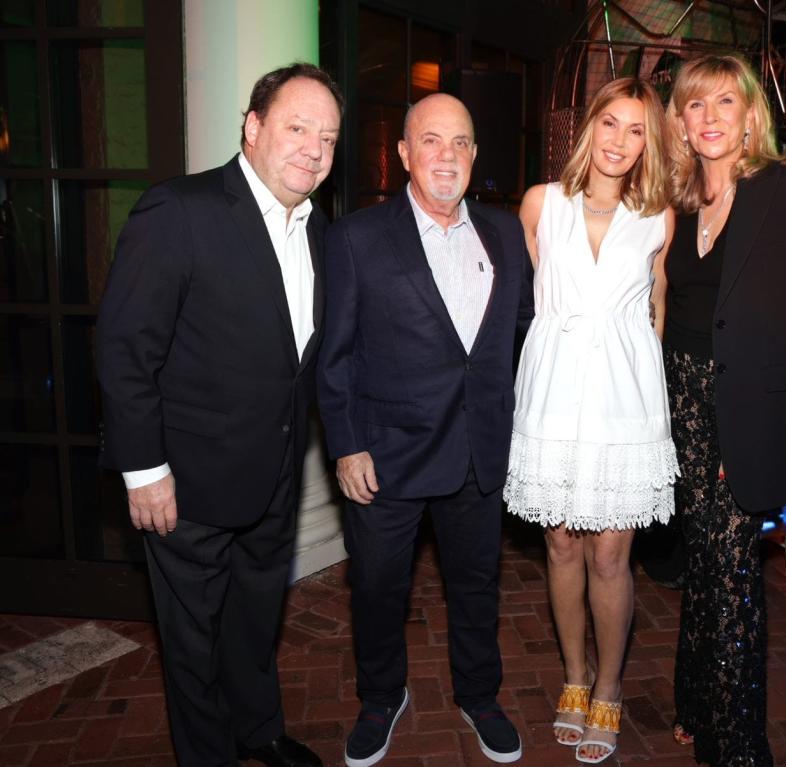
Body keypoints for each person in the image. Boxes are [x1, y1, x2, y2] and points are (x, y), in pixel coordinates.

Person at [96, 63, 342, 767]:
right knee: (193, 640)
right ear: (253, 126)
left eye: (326, 138)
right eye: (297, 127)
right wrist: (144, 470)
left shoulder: (317, 230)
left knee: (255, 619)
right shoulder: (181, 209)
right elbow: (124, 347)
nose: (313, 149)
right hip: (187, 484)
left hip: (274, 478)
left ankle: (258, 728)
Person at [316, 93, 533, 767]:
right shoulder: (356, 238)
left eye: (461, 142)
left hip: (478, 452)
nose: (448, 155)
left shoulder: (505, 236)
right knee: (379, 587)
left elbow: (520, 337)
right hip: (388, 454)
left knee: (476, 582)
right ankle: (382, 696)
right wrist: (347, 443)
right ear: (405, 153)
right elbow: (336, 354)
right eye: (431, 141)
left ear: (475, 155)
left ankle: (479, 692)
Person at [663, 54, 786, 766]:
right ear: (679, 120)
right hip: (679, 404)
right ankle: (694, 700)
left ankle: (737, 744)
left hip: (745, 411)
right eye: (694, 105)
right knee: (704, 558)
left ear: (750, 116)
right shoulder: (675, 204)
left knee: (734, 569)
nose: (709, 118)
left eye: (724, 103)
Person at [504, 77, 679, 765]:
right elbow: (532, 299)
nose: (619, 141)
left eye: (636, 130)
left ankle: (608, 684)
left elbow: (656, 312)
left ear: (648, 142)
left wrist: (647, 398)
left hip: (624, 400)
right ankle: (574, 673)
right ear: (588, 127)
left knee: (611, 552)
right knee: (560, 546)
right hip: (553, 393)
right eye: (610, 123)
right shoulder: (541, 204)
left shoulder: (659, 216)